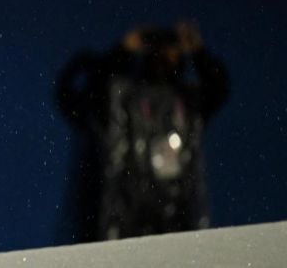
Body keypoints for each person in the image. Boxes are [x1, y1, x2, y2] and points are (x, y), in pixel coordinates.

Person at [55, 21, 229, 241]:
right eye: (157, 48)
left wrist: (198, 52)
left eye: (170, 48)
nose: (164, 55)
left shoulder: (187, 101)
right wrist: (122, 52)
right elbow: (75, 93)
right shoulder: (122, 98)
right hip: (126, 219)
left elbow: (219, 88)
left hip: (178, 218)